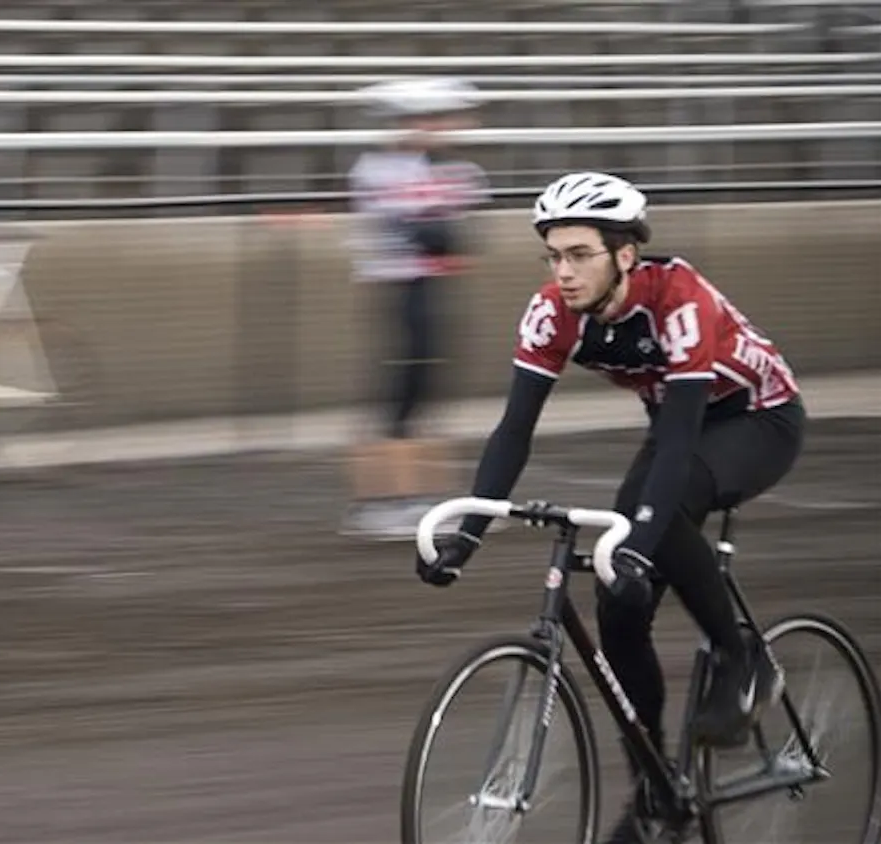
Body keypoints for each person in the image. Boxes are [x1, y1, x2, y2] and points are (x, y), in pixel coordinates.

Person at [413, 171, 806, 842]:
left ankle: (742, 658)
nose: (562, 272)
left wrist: (637, 542)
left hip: (757, 419)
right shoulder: (551, 312)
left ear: (626, 254)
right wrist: (468, 533)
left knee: (659, 516)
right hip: (679, 431)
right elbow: (513, 430)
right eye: (554, 256)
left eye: (579, 255)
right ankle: (658, 789)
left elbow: (680, 442)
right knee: (620, 605)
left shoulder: (678, 299)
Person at [340, 76, 491, 541]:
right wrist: (438, 226)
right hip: (401, 287)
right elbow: (430, 233)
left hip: (431, 286)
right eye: (437, 118)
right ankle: (382, 501)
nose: (447, 128)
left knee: (428, 391)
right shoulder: (382, 169)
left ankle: (427, 498)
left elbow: (456, 236)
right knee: (401, 393)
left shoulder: (447, 170)